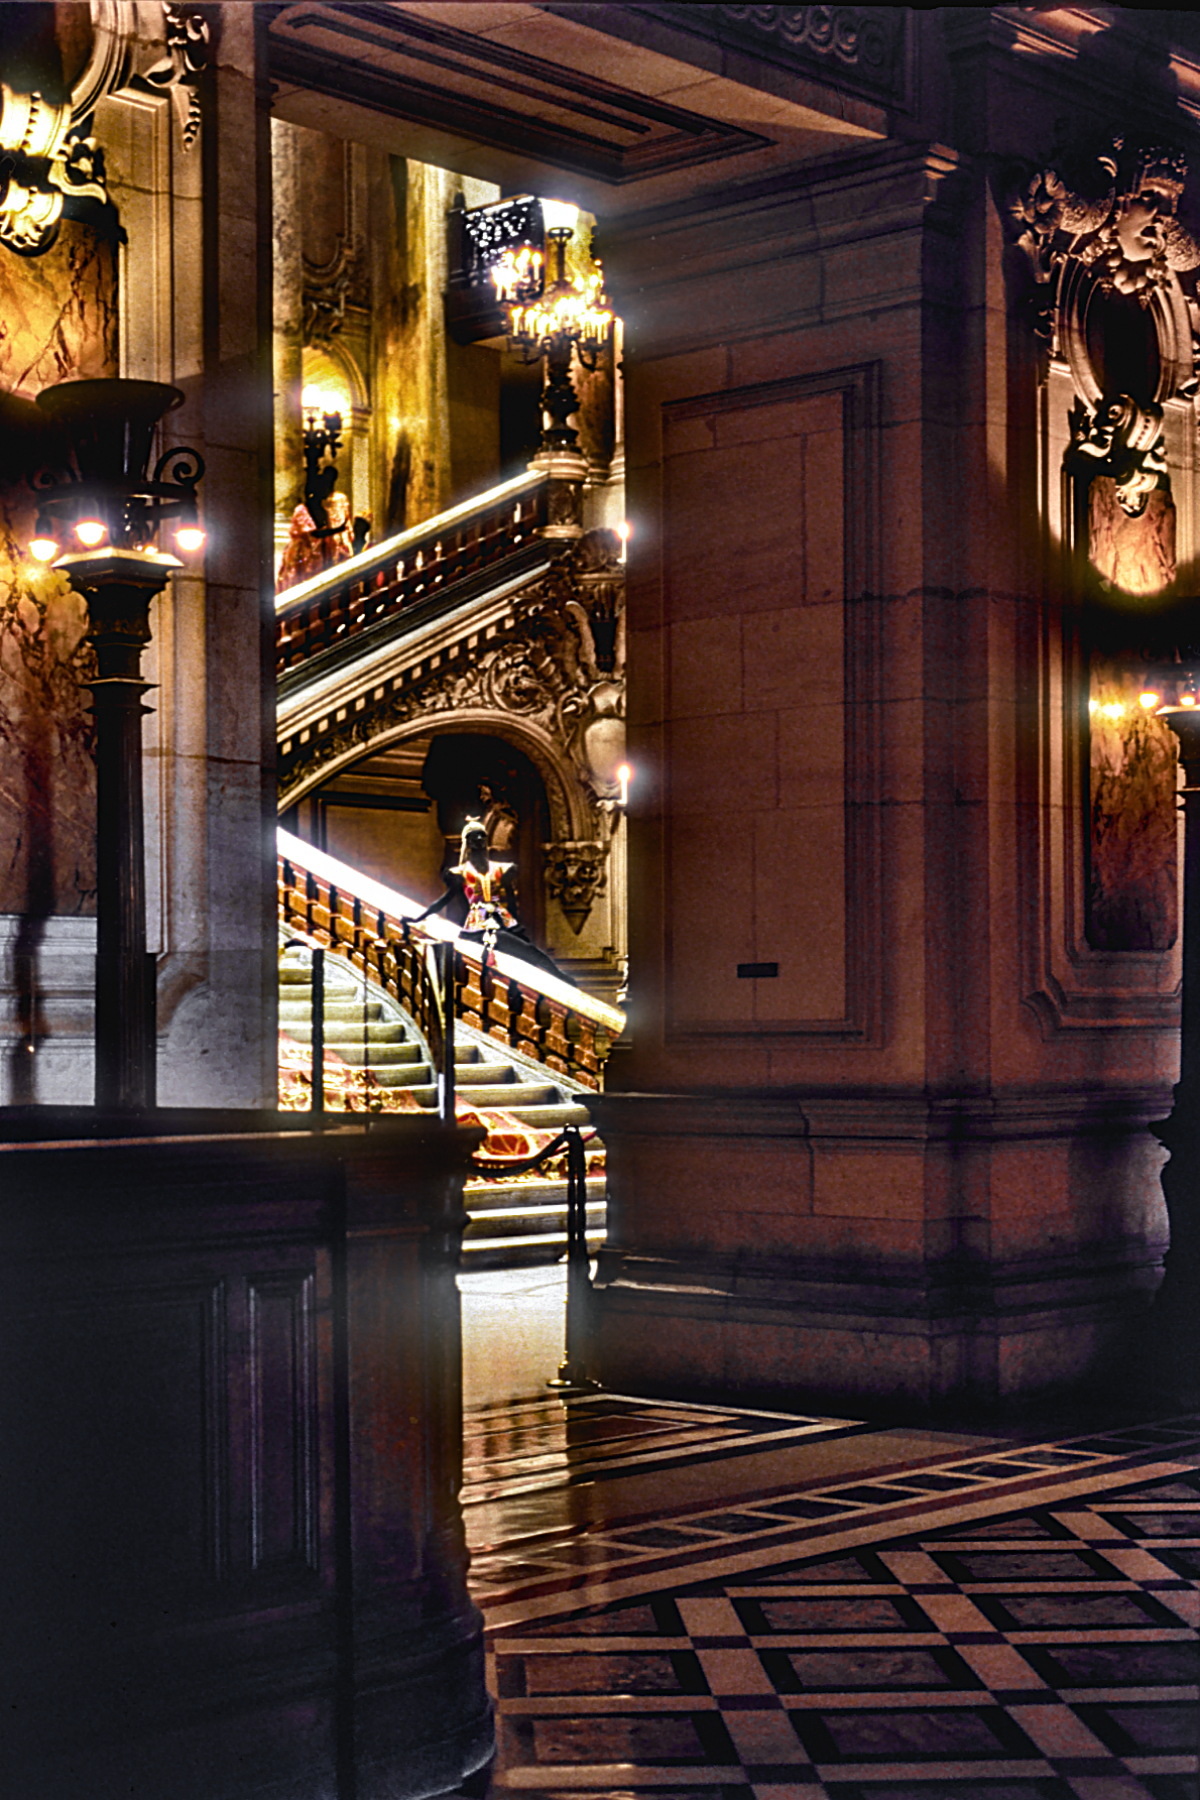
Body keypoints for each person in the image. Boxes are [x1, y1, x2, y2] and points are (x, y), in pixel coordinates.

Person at [410, 819, 573, 984]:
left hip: (501, 918)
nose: (480, 841)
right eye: (475, 838)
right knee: (525, 952)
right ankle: (559, 979)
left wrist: (514, 923)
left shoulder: (500, 869)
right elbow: (444, 900)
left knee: (528, 951)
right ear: (469, 843)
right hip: (479, 925)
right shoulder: (460, 873)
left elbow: (510, 897)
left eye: (482, 837)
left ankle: (559, 978)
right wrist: (418, 917)